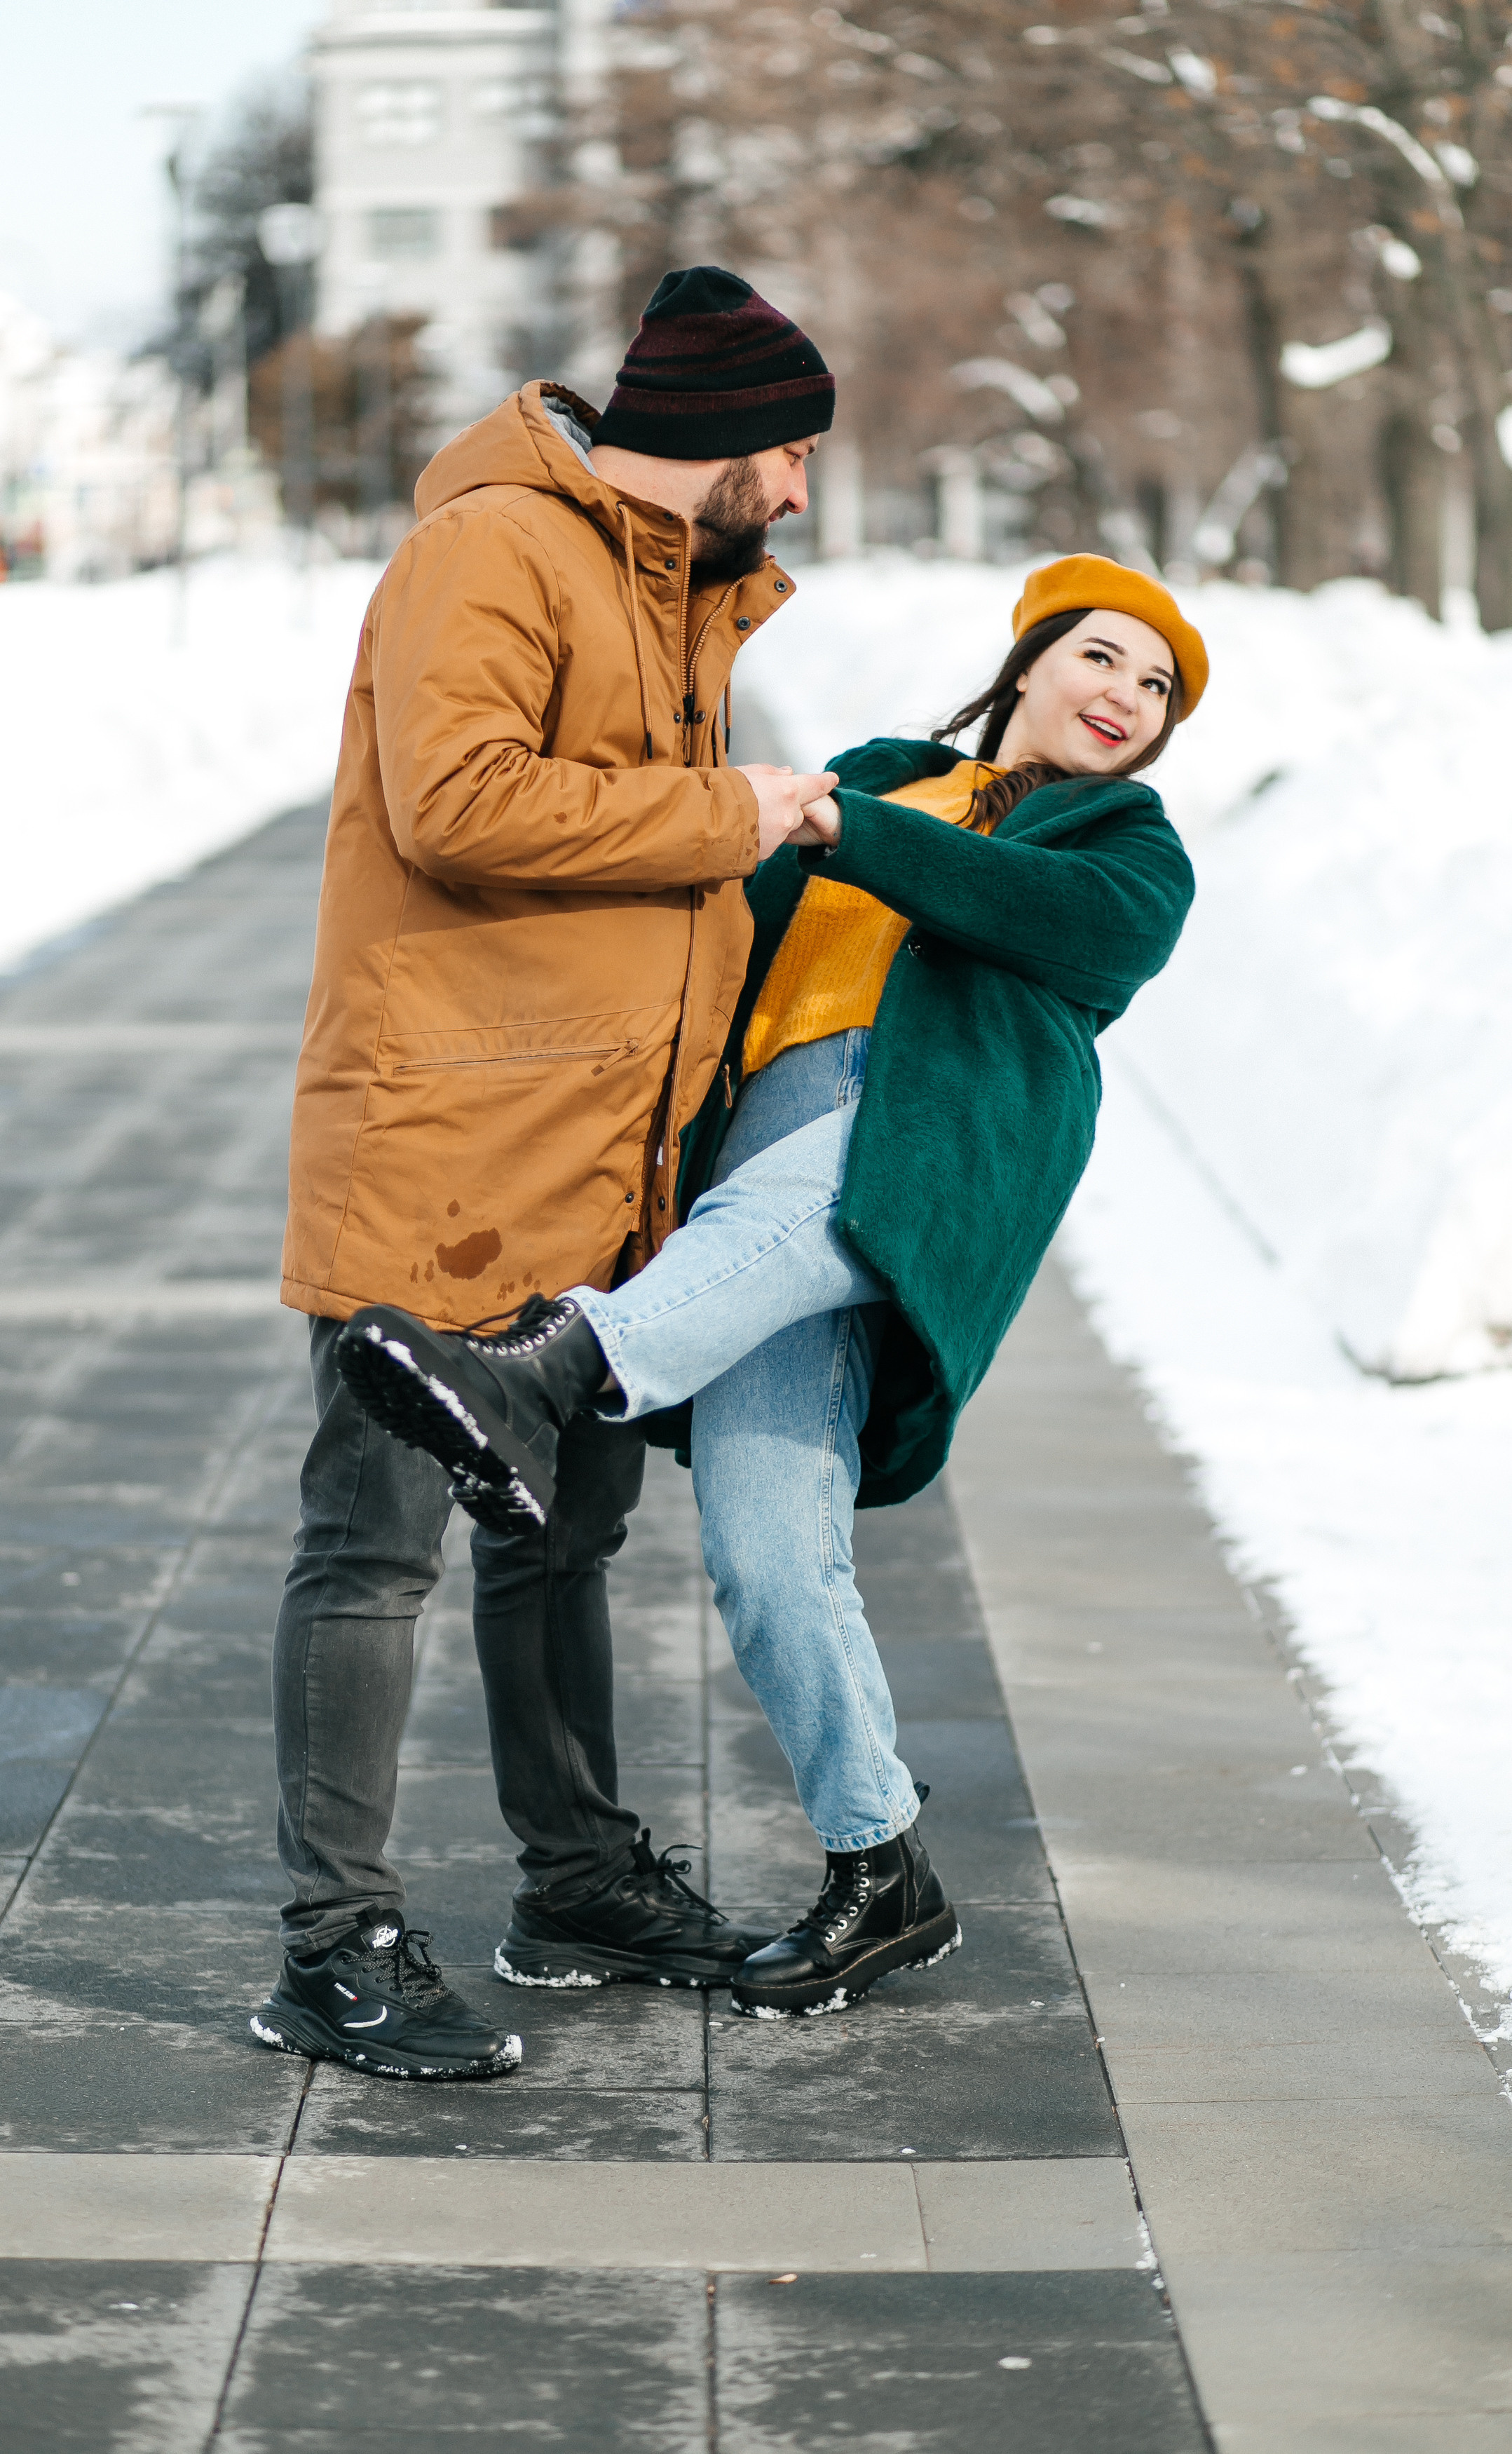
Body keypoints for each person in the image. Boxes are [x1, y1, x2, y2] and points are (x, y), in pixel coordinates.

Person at [332, 555, 1205, 2019]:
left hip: (921, 1149)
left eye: (1157, 688)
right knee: (763, 1545)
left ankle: (548, 1371)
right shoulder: (879, 775)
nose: (1124, 696)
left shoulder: (1128, 844)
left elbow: (1055, 922)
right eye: (1102, 658)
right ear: (1031, 663)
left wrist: (842, 825)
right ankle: (887, 1868)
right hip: (759, 1165)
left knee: (826, 1184)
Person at [250, 266, 842, 2084]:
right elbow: (459, 799)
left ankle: (574, 1879)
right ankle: (331, 1945)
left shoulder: (666, 588)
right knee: (374, 1548)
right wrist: (730, 816)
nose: (804, 492)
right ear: (715, 438)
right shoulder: (497, 548)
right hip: (442, 1137)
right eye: (793, 449)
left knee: (563, 1534)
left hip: (600, 1149)